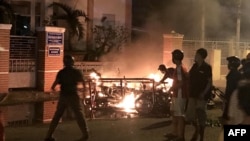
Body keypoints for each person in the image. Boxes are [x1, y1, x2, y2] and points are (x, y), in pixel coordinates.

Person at [44, 55, 89, 141]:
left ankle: (48, 135)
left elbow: (54, 85)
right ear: (73, 62)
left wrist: (55, 91)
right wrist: (83, 93)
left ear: (64, 62)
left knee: (57, 116)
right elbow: (83, 83)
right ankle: (85, 134)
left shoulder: (61, 72)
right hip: (73, 95)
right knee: (79, 115)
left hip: (64, 96)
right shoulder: (76, 72)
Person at [185, 48, 212, 141]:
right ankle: (196, 130)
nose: (195, 56)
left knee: (201, 116)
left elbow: (209, 82)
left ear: (201, 56)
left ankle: (201, 137)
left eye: (197, 55)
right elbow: (189, 76)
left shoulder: (207, 67)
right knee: (191, 117)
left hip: (201, 96)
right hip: (192, 95)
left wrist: (204, 93)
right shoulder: (194, 66)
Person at [164, 49, 189, 141]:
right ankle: (174, 132)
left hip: (180, 95)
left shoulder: (179, 68)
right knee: (174, 114)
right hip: (177, 94)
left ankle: (180, 136)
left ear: (175, 57)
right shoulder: (181, 67)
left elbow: (181, 82)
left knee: (179, 115)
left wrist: (172, 88)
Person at [221, 56, 242, 124]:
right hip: (233, 99)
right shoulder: (236, 73)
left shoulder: (233, 74)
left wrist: (226, 98)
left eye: (229, 63)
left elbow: (230, 88)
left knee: (228, 118)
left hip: (231, 100)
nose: (228, 64)